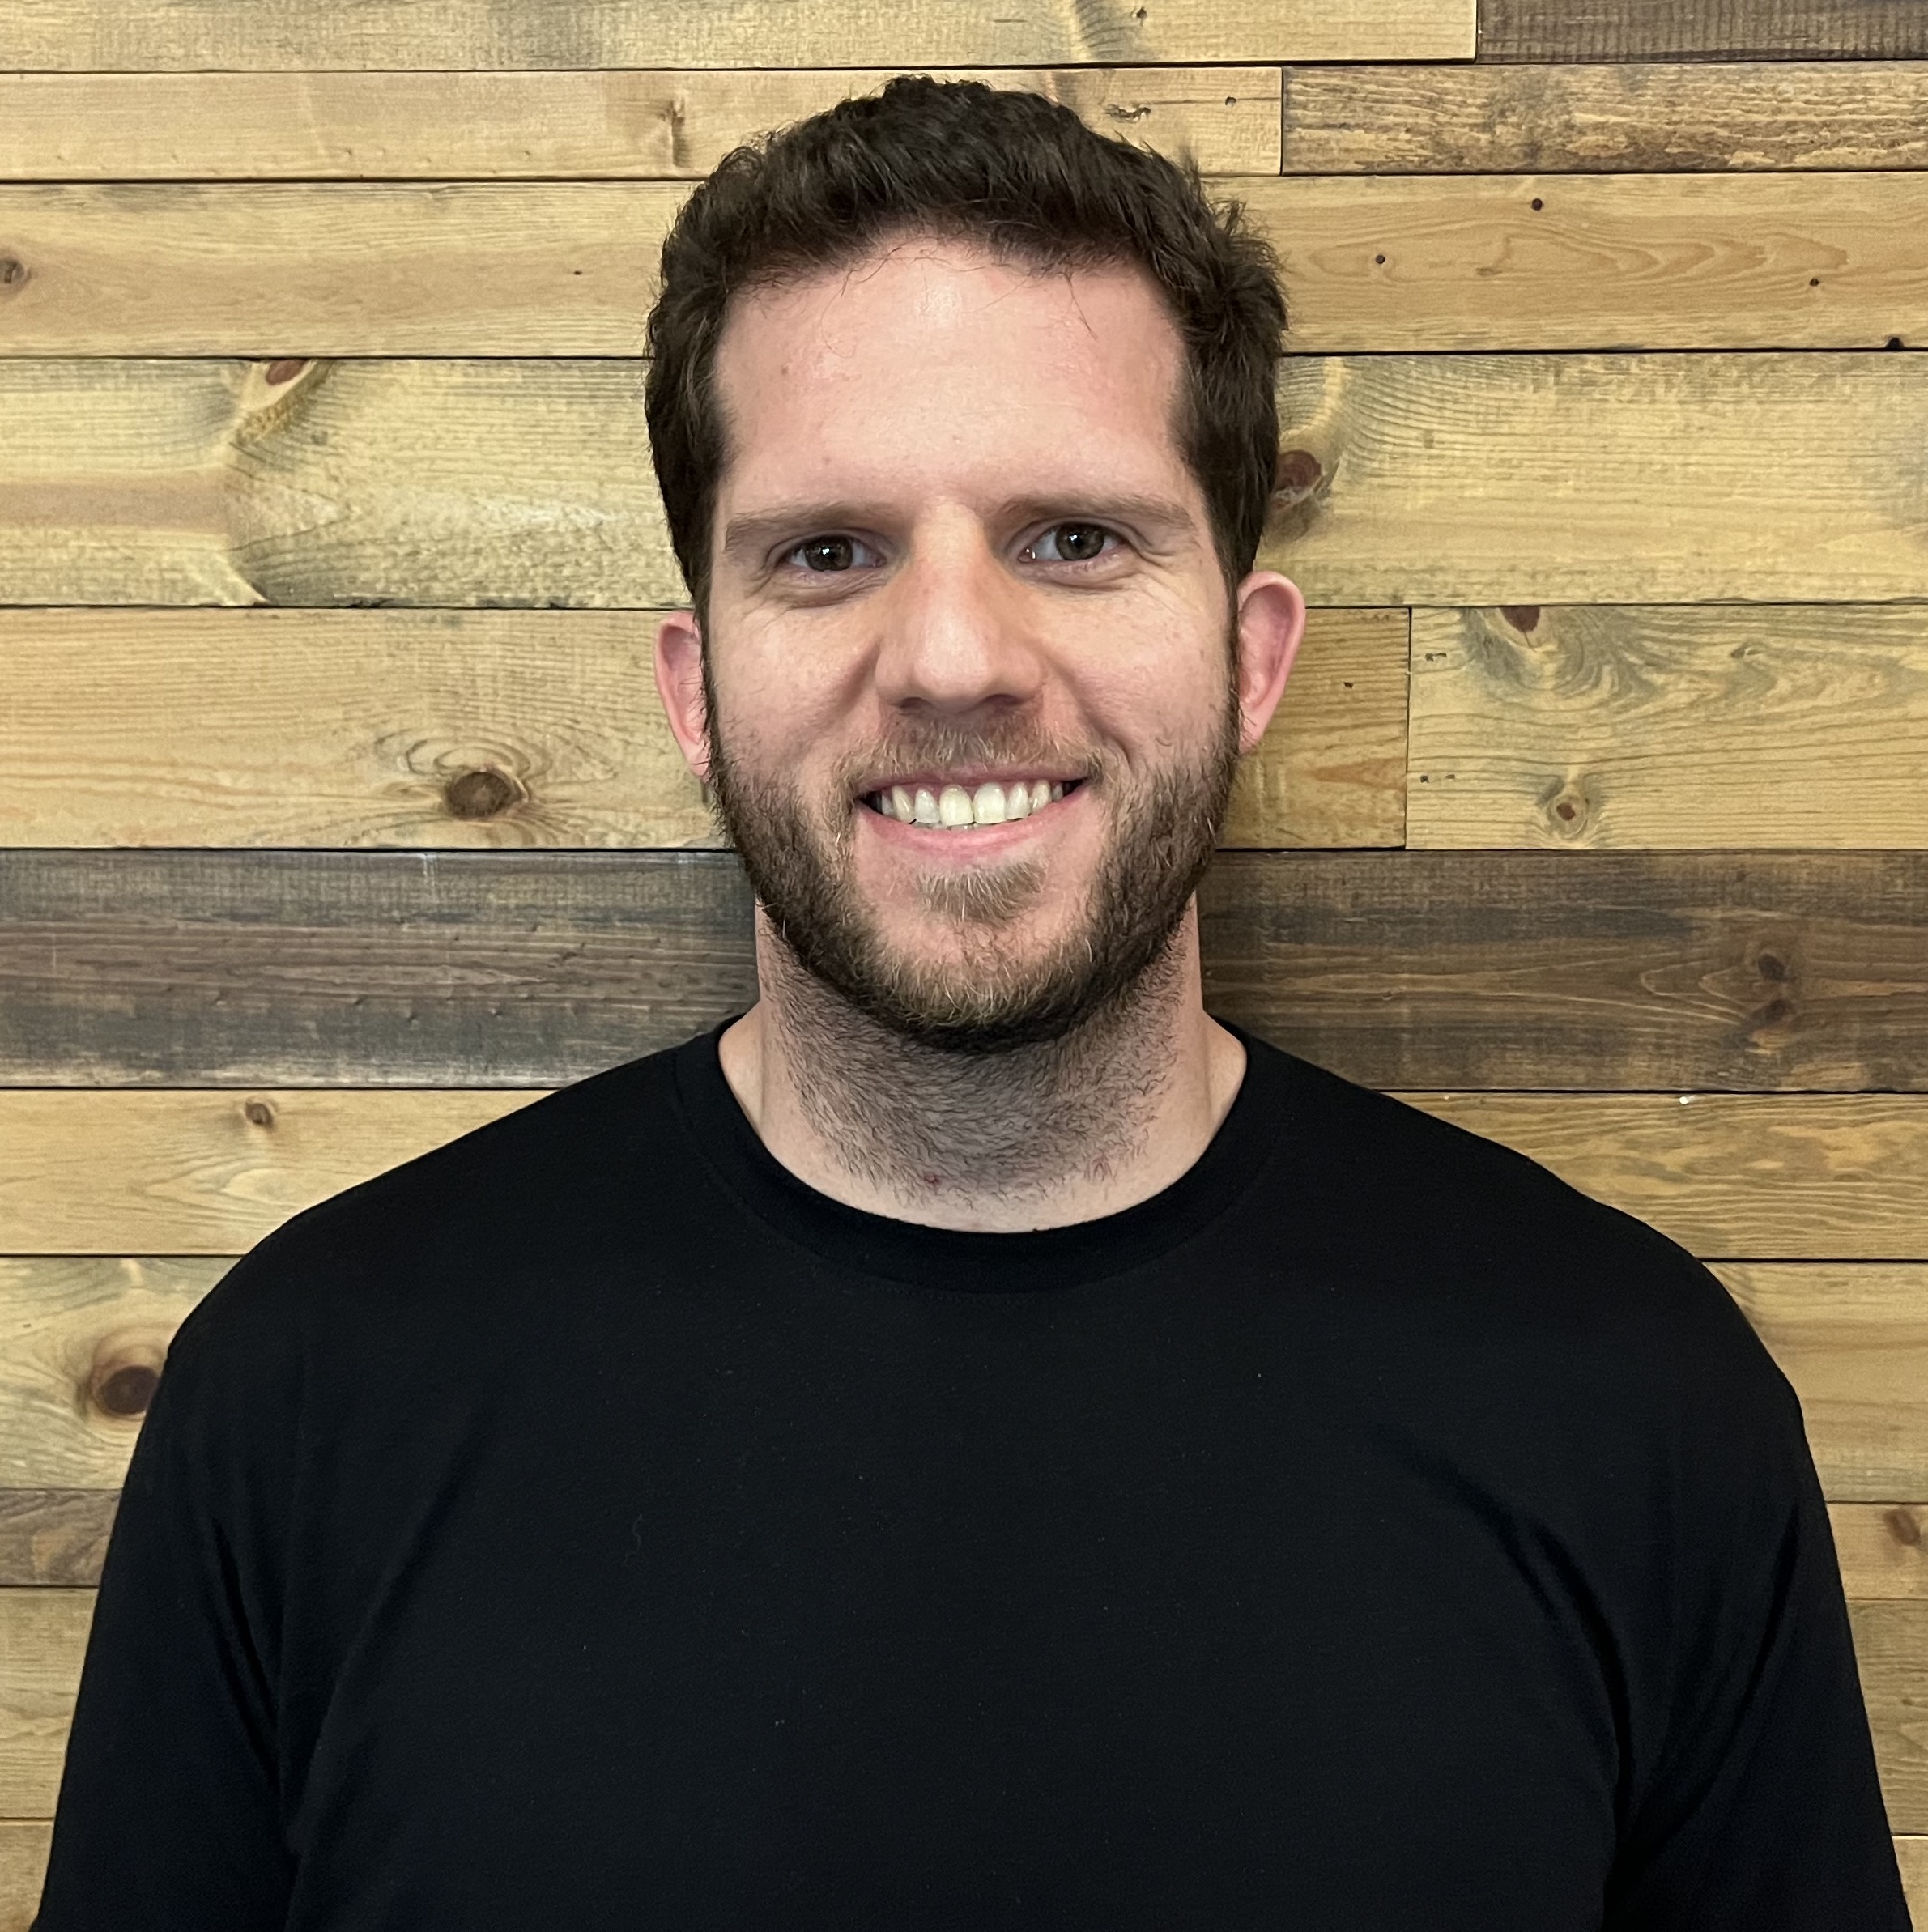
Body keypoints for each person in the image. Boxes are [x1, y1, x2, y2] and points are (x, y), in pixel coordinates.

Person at [34, 78, 1907, 1931]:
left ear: (1249, 660)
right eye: (829, 550)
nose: (948, 656)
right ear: (697, 687)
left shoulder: (1632, 1400)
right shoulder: (308, 1399)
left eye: (1074, 538)